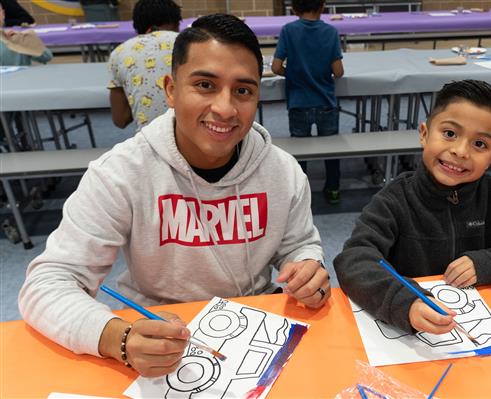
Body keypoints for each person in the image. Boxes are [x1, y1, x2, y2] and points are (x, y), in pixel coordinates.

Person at [19, 13, 330, 378]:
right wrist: (118, 337)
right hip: (156, 339)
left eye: (243, 91)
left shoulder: (283, 171)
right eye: (205, 85)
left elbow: (300, 246)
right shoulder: (120, 173)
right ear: (170, 89)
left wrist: (309, 268)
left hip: (257, 335)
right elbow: (47, 283)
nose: (225, 109)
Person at [334, 80, 491, 336]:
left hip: (483, 326)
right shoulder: (395, 199)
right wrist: (406, 302)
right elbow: (354, 260)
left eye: (480, 145)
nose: (460, 151)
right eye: (450, 134)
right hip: (412, 335)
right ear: (424, 134)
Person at [271, 0, 344, 204]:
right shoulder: (330, 32)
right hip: (325, 102)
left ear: (294, 9)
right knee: (332, 149)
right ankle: (333, 188)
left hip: (298, 103)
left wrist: (293, 74)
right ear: (322, 6)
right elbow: (338, 72)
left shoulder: (288, 30)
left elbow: (276, 67)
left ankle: (302, 192)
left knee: (299, 152)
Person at [107, 0, 181, 131]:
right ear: (176, 23)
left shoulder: (119, 53)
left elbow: (120, 119)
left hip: (149, 143)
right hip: (195, 139)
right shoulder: (190, 44)